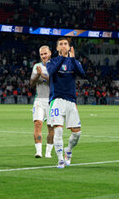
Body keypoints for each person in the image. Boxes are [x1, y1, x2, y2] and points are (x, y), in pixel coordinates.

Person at [46, 38, 85, 169]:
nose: (63, 46)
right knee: (58, 131)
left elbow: (83, 74)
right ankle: (60, 160)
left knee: (77, 133)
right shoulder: (52, 61)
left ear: (69, 47)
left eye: (65, 44)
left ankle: (68, 150)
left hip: (71, 101)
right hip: (56, 100)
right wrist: (62, 58)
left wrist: (72, 59)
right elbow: (51, 72)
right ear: (57, 48)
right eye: (60, 44)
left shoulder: (73, 62)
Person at [30, 46, 54, 158]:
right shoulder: (36, 66)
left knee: (51, 127)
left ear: (50, 53)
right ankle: (38, 151)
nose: (43, 56)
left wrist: (43, 75)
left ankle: (48, 152)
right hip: (39, 100)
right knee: (37, 124)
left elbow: (56, 82)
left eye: (45, 53)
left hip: (52, 101)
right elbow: (31, 83)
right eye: (41, 54)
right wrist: (37, 75)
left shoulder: (55, 65)